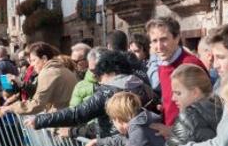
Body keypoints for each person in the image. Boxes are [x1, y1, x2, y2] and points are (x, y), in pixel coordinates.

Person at [25, 50, 154, 138]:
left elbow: (77, 113)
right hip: (143, 143)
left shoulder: (108, 91)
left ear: (109, 72)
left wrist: (40, 120)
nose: (99, 80)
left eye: (99, 75)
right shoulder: (143, 85)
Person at [147, 16, 206, 126]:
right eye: (154, 41)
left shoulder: (190, 64)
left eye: (164, 39)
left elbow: (203, 107)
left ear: (177, 38)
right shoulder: (162, 64)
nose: (159, 46)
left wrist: (174, 132)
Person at [0, 42, 77, 116]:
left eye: (34, 60)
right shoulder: (61, 69)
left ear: (44, 58)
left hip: (61, 120)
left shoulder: (48, 73)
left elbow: (37, 104)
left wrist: (10, 108)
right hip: (67, 117)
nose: (32, 64)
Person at [84, 91, 164, 146]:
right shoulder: (144, 119)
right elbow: (122, 140)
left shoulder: (138, 126)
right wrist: (97, 141)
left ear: (118, 119)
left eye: (112, 120)